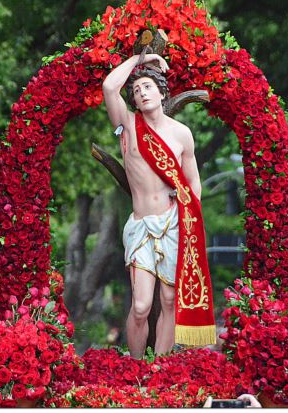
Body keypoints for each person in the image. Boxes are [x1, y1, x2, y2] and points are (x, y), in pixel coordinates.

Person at [103, 52, 207, 358]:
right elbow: (109, 86)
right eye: (136, 90)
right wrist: (141, 58)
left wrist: (190, 222)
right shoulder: (127, 126)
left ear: (162, 93)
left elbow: (194, 183)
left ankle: (158, 371)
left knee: (170, 300)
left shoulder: (182, 134)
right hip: (141, 227)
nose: (142, 93)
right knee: (141, 306)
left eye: (148, 86)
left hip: (173, 224)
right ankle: (135, 368)